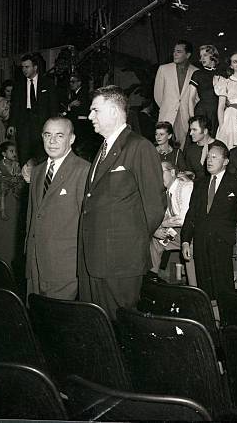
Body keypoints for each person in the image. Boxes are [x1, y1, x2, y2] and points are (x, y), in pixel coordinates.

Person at [78, 85, 166, 319]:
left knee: (121, 328)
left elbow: (154, 207)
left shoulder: (139, 146)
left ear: (114, 112)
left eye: (95, 110)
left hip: (120, 262)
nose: (90, 117)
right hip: (94, 259)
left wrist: (129, 244)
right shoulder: (103, 149)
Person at [181, 141, 237, 301]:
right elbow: (191, 214)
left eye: (214, 157)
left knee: (224, 290)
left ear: (226, 161)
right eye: (208, 157)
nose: (209, 160)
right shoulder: (199, 183)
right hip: (200, 242)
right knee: (204, 290)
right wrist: (186, 240)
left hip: (223, 242)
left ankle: (226, 322)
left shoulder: (236, 182)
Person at [25, 117, 90, 300]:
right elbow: (32, 217)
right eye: (48, 135)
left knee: (57, 322)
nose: (52, 141)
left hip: (65, 268)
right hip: (35, 266)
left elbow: (86, 225)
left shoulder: (83, 171)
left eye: (59, 135)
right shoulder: (37, 171)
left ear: (71, 139)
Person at [8, 52, 59, 166]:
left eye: (27, 67)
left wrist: (53, 125)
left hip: (42, 124)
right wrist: (12, 124)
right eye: (23, 67)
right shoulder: (19, 85)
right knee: (24, 156)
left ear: (35, 67)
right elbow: (14, 106)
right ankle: (26, 182)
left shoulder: (47, 83)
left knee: (42, 157)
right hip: (24, 125)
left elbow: (53, 106)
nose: (24, 70)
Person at [148, 161, 195, 283]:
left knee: (189, 250)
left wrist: (163, 224)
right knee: (156, 240)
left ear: (173, 172)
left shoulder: (186, 187)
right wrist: (158, 228)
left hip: (191, 233)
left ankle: (194, 289)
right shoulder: (166, 192)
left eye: (161, 173)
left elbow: (183, 219)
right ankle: (151, 279)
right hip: (177, 232)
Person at [153, 40, 198, 149]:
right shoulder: (163, 69)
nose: (175, 54)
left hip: (185, 117)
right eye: (174, 51)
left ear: (187, 55)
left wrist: (188, 109)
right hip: (167, 114)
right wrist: (168, 107)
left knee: (183, 148)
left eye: (178, 52)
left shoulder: (196, 71)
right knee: (163, 147)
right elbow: (158, 95)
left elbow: (196, 98)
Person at [188, 44, 222, 139]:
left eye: (205, 55)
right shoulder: (197, 74)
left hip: (217, 113)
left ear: (213, 56)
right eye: (201, 56)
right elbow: (191, 98)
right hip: (202, 112)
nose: (202, 58)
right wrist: (192, 119)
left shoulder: (222, 74)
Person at [0, 141, 24, 221]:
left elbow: (20, 175)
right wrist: (8, 179)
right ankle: (2, 210)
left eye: (15, 151)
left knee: (21, 186)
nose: (14, 153)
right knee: (2, 186)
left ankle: (21, 209)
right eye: (11, 151)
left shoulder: (16, 164)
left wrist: (17, 178)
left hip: (14, 183)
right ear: (4, 154)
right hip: (3, 183)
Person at [182, 115, 215, 180]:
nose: (191, 133)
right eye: (190, 130)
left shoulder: (219, 147)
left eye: (194, 130)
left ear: (205, 131)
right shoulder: (190, 150)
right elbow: (190, 173)